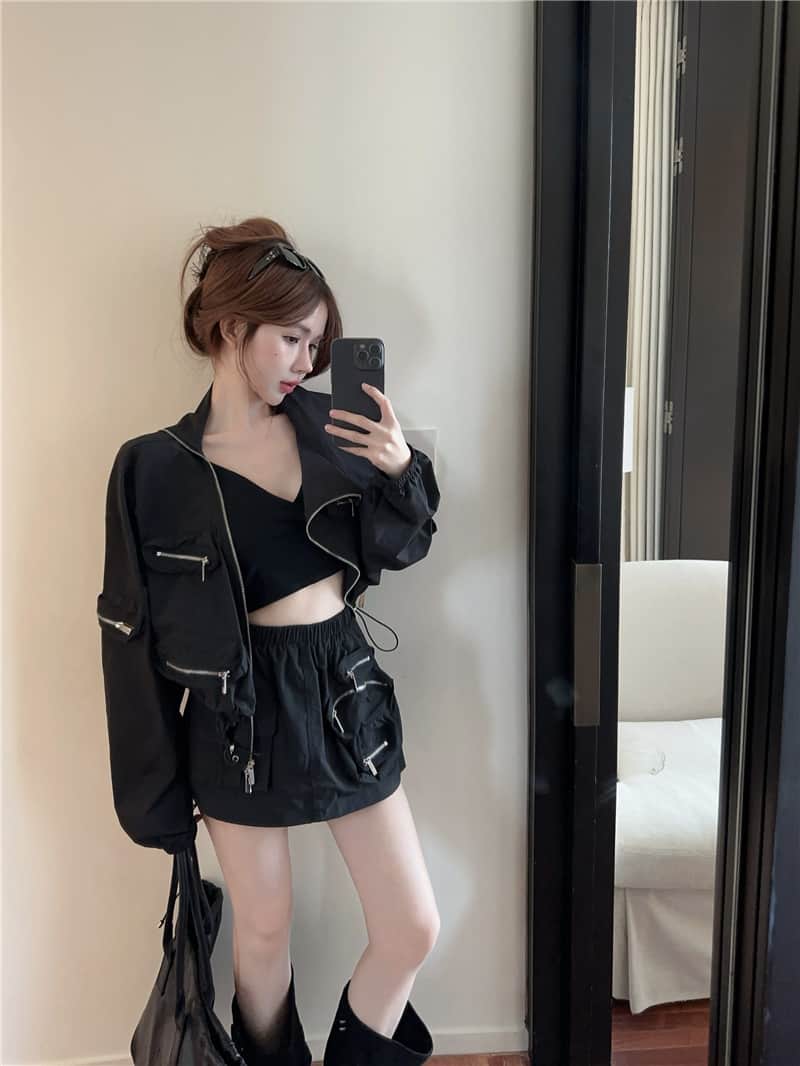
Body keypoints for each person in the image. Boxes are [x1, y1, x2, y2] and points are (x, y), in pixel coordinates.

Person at [98, 217, 440, 1066]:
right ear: (230, 327)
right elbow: (130, 641)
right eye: (292, 338)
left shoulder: (332, 427)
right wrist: (155, 798)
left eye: (317, 345)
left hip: (344, 691)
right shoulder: (154, 468)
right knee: (263, 931)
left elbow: (402, 546)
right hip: (236, 717)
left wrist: (400, 470)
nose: (306, 361)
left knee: (411, 925)